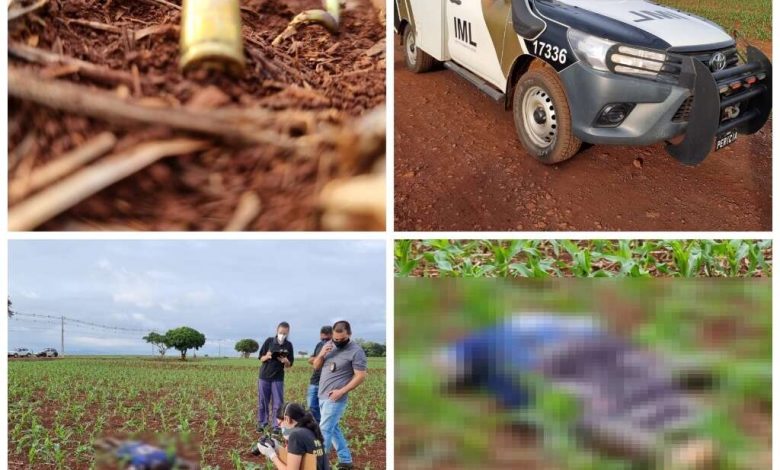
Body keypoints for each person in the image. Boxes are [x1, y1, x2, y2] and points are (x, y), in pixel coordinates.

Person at [433, 314, 716, 468]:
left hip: (544, 362)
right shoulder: (529, 321)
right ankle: (690, 369)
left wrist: (449, 383)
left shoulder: (473, 344)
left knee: (576, 412)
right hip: (593, 338)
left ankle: (665, 455)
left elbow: (445, 370)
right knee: (634, 367)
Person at [312, 320, 367, 470]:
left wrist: (341, 391)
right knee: (333, 429)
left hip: (336, 398)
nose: (338, 342)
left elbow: (361, 375)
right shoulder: (328, 345)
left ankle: (319, 465)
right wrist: (322, 354)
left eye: (341, 339)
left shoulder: (356, 351)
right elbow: (316, 366)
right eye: (335, 339)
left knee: (324, 430)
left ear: (349, 334)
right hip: (322, 395)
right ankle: (346, 460)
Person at [256, 402, 330, 470]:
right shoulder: (311, 430)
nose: (280, 428)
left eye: (279, 424)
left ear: (287, 419)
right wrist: (278, 448)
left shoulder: (296, 435)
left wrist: (272, 456)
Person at [258, 322, 295, 434]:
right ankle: (262, 423)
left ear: (288, 332)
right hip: (264, 376)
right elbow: (260, 357)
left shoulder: (288, 345)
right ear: (277, 331)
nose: (282, 335)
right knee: (263, 401)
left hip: (278, 377)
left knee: (278, 403)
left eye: (284, 333)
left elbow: (290, 364)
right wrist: (267, 356)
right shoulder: (269, 341)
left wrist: (286, 361)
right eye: (280, 332)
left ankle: (276, 425)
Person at [307, 326, 333, 422]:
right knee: (312, 406)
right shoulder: (319, 345)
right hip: (315, 380)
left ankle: (323, 426)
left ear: (332, 335)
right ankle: (317, 426)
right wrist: (318, 358)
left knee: (325, 408)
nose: (324, 341)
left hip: (327, 382)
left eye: (327, 339)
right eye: (323, 338)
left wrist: (317, 360)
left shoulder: (335, 347)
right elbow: (311, 360)